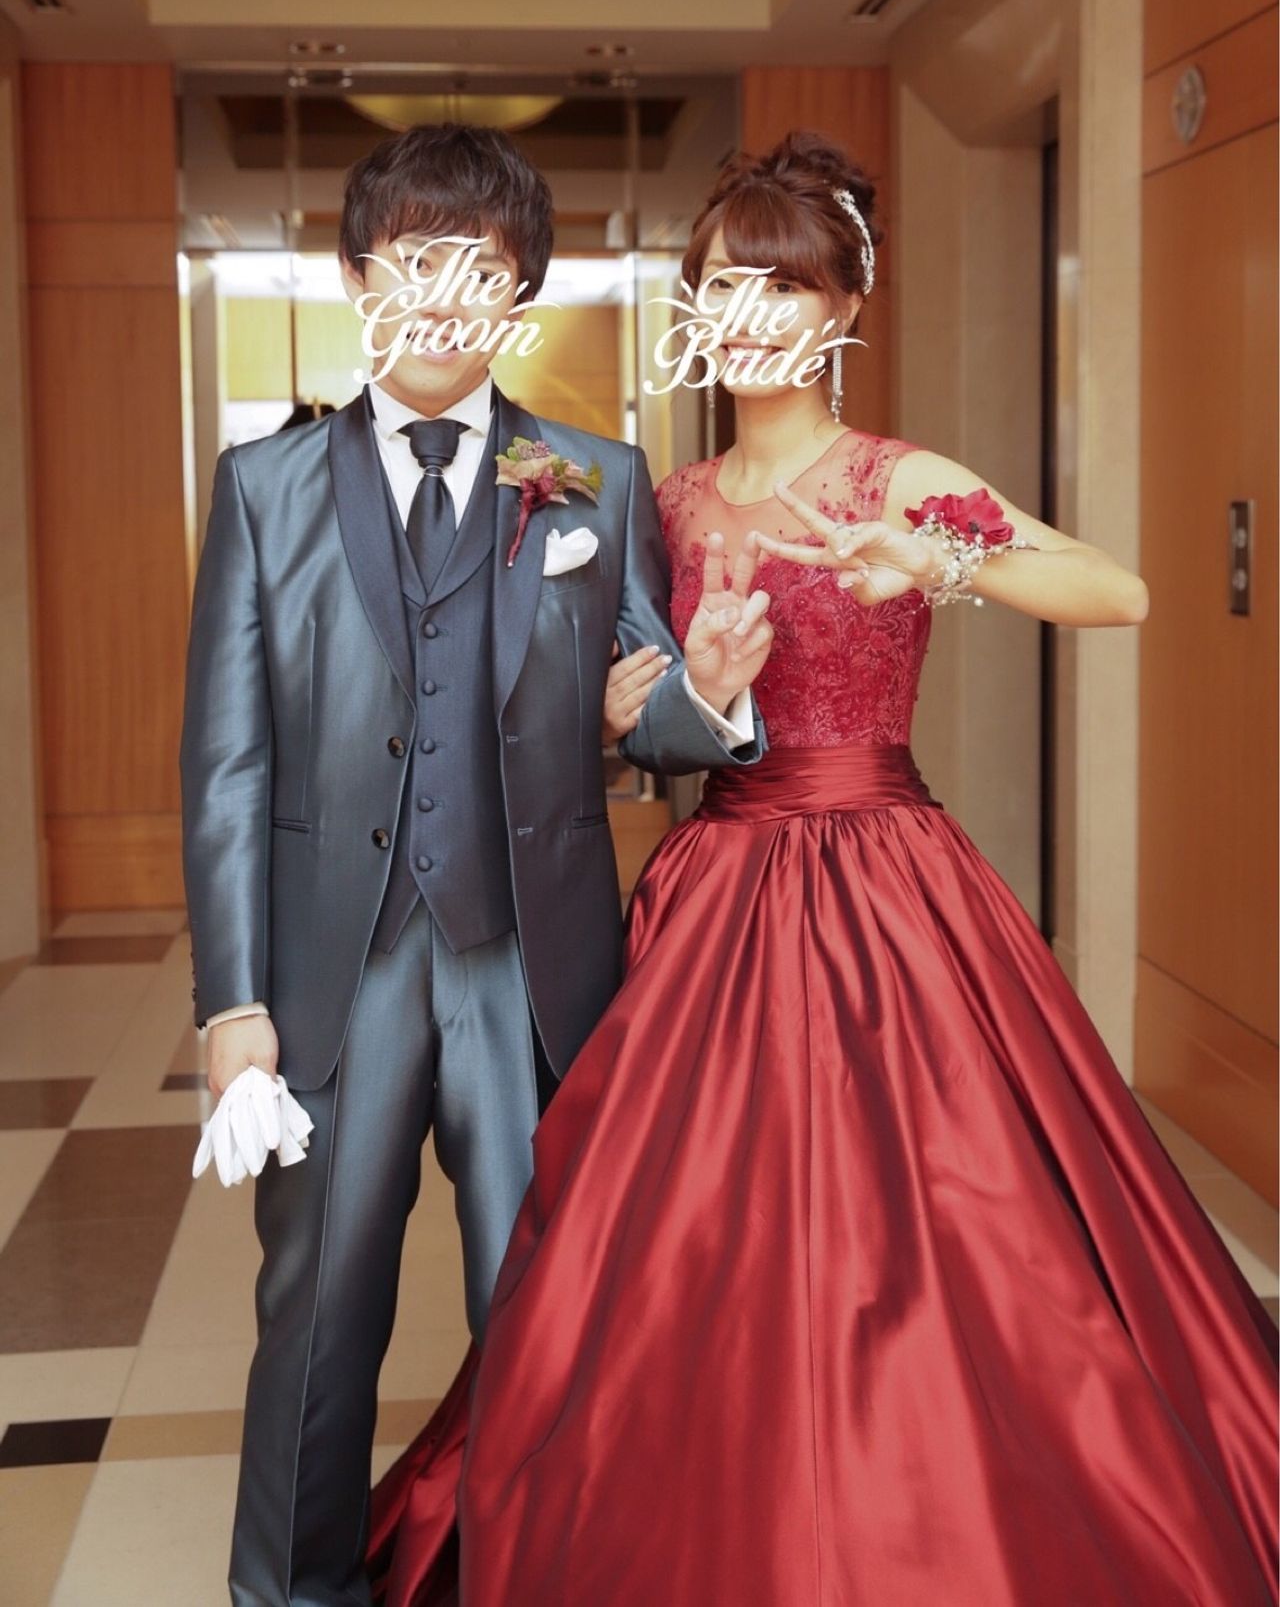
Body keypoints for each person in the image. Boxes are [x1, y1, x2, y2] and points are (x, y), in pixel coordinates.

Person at [367, 131, 1279, 1607]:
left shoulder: (899, 476)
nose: (749, 315)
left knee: (954, 1222)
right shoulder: (658, 499)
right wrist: (629, 707)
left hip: (889, 887)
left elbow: (1117, 590)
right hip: (715, 886)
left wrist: (935, 561)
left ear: (844, 307)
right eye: (723, 284)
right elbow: (616, 696)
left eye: (783, 287)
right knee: (674, 1232)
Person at [177, 122, 773, 1607]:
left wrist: (709, 693)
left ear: (523, 296)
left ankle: (540, 1581)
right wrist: (233, 1003)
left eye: (483, 269)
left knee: (551, 1314)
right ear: (356, 276)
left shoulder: (594, 480)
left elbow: (653, 717)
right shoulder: (264, 488)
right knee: (318, 1319)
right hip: (335, 981)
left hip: (530, 970)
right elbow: (229, 764)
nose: (445, 299)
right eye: (415, 262)